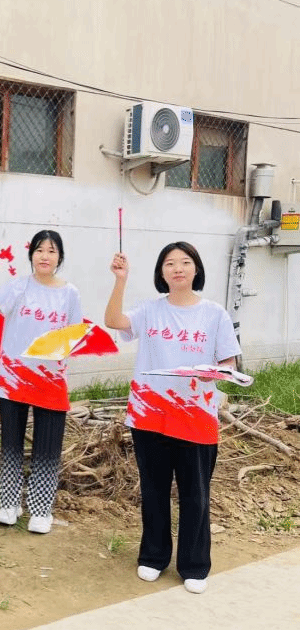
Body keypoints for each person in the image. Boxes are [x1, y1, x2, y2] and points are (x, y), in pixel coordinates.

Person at [104, 243, 240, 594]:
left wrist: (215, 374)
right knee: (154, 490)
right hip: (150, 415)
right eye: (169, 263)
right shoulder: (149, 310)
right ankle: (153, 557)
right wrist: (120, 280)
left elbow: (229, 363)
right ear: (161, 272)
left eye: (185, 262)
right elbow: (114, 321)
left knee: (196, 494)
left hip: (196, 417)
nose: (178, 268)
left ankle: (194, 565)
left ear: (196, 269)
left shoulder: (215, 314)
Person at [0, 230, 81, 534]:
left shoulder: (70, 293)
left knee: (48, 447)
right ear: (31, 254)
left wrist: (57, 348)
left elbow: (74, 337)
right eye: (39, 250)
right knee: (11, 444)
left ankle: (41, 509)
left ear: (60, 257)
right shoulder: (17, 286)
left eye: (52, 251)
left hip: (50, 380)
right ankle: (9, 504)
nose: (45, 256)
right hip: (13, 379)